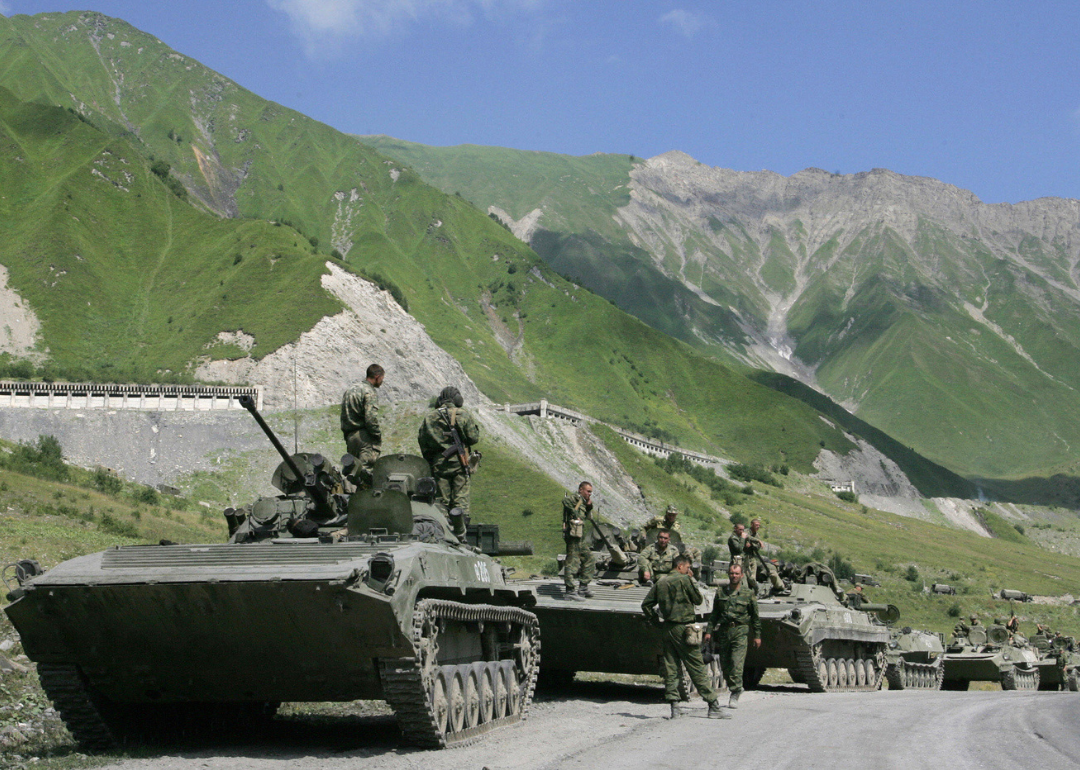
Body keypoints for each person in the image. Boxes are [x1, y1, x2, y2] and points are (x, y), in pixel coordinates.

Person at [641, 554, 724, 720]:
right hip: (685, 629)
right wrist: (691, 580)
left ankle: (674, 707)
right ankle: (713, 705)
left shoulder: (661, 582)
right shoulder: (685, 580)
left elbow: (646, 605)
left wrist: (657, 622)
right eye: (688, 568)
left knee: (671, 667)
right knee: (696, 666)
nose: (689, 570)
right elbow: (698, 599)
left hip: (668, 629)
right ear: (680, 566)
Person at [417, 386, 480, 537]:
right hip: (460, 462)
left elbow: (422, 440)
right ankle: (460, 533)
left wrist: (431, 458)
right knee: (461, 501)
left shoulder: (430, 417)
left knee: (441, 502)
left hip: (439, 464)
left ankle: (442, 533)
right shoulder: (463, 415)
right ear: (457, 399)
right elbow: (473, 438)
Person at [706, 562, 761, 711]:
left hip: (740, 631)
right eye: (731, 573)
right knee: (725, 665)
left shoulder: (748, 594)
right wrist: (709, 631)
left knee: (736, 663)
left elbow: (755, 617)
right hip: (724, 631)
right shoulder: (721, 593)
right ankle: (735, 686)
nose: (734, 576)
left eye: (736, 573)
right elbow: (714, 614)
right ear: (728, 574)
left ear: (742, 575)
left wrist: (757, 635)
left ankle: (735, 691)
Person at [340, 364, 384, 485]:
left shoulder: (350, 390)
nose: (382, 381)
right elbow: (371, 418)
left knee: (353, 472)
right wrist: (376, 435)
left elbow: (344, 416)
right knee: (366, 474)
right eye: (382, 378)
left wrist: (348, 436)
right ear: (377, 376)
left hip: (351, 437)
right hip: (364, 438)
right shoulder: (369, 391)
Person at [562, 481, 597, 599]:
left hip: (580, 536)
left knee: (589, 558)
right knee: (572, 562)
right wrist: (575, 512)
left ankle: (583, 587)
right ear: (581, 489)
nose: (589, 494)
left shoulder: (583, 502)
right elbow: (565, 501)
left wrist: (589, 505)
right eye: (588, 491)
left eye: (591, 492)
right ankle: (570, 590)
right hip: (572, 536)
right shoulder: (574, 498)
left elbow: (586, 516)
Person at [747, 518, 785, 591]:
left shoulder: (757, 535)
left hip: (753, 557)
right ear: (752, 525)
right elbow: (746, 537)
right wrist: (755, 541)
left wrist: (752, 543)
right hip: (745, 557)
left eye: (759, 525)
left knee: (754, 576)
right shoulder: (747, 532)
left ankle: (753, 589)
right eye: (756, 525)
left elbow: (757, 547)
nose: (758, 527)